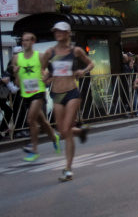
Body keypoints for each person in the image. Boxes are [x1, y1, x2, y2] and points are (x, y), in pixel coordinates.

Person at [42, 22, 94, 182]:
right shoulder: (49, 52)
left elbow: (91, 64)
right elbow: (42, 68)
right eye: (56, 31)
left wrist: (82, 71)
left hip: (72, 92)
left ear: (68, 33)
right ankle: (80, 131)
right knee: (63, 132)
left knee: (66, 129)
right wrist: (46, 77)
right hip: (56, 94)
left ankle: (68, 169)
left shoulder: (75, 51)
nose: (58, 33)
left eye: (61, 31)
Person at [13, 32, 61, 162]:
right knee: (43, 122)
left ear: (33, 42)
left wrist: (47, 80)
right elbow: (17, 83)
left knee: (30, 119)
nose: (25, 43)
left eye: (27, 40)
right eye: (23, 40)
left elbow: (53, 71)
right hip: (26, 94)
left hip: (38, 91)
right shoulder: (17, 58)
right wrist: (16, 74)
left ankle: (34, 149)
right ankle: (54, 137)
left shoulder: (40, 56)